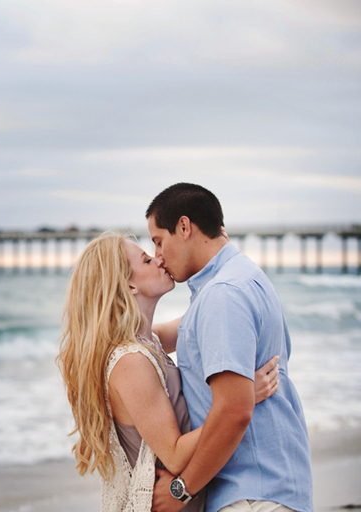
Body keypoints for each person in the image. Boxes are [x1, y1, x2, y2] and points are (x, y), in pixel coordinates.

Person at [56, 231, 280, 512]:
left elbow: (212, 312)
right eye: (147, 260)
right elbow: (173, 455)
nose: (160, 260)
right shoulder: (131, 361)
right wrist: (243, 398)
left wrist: (214, 244)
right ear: (130, 285)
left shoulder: (148, 341)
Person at [146, 183, 313, 512]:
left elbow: (235, 411)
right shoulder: (238, 280)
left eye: (158, 241)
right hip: (268, 486)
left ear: (184, 226)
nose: (158, 256)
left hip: (252, 493)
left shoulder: (224, 295)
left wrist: (182, 489)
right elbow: (173, 332)